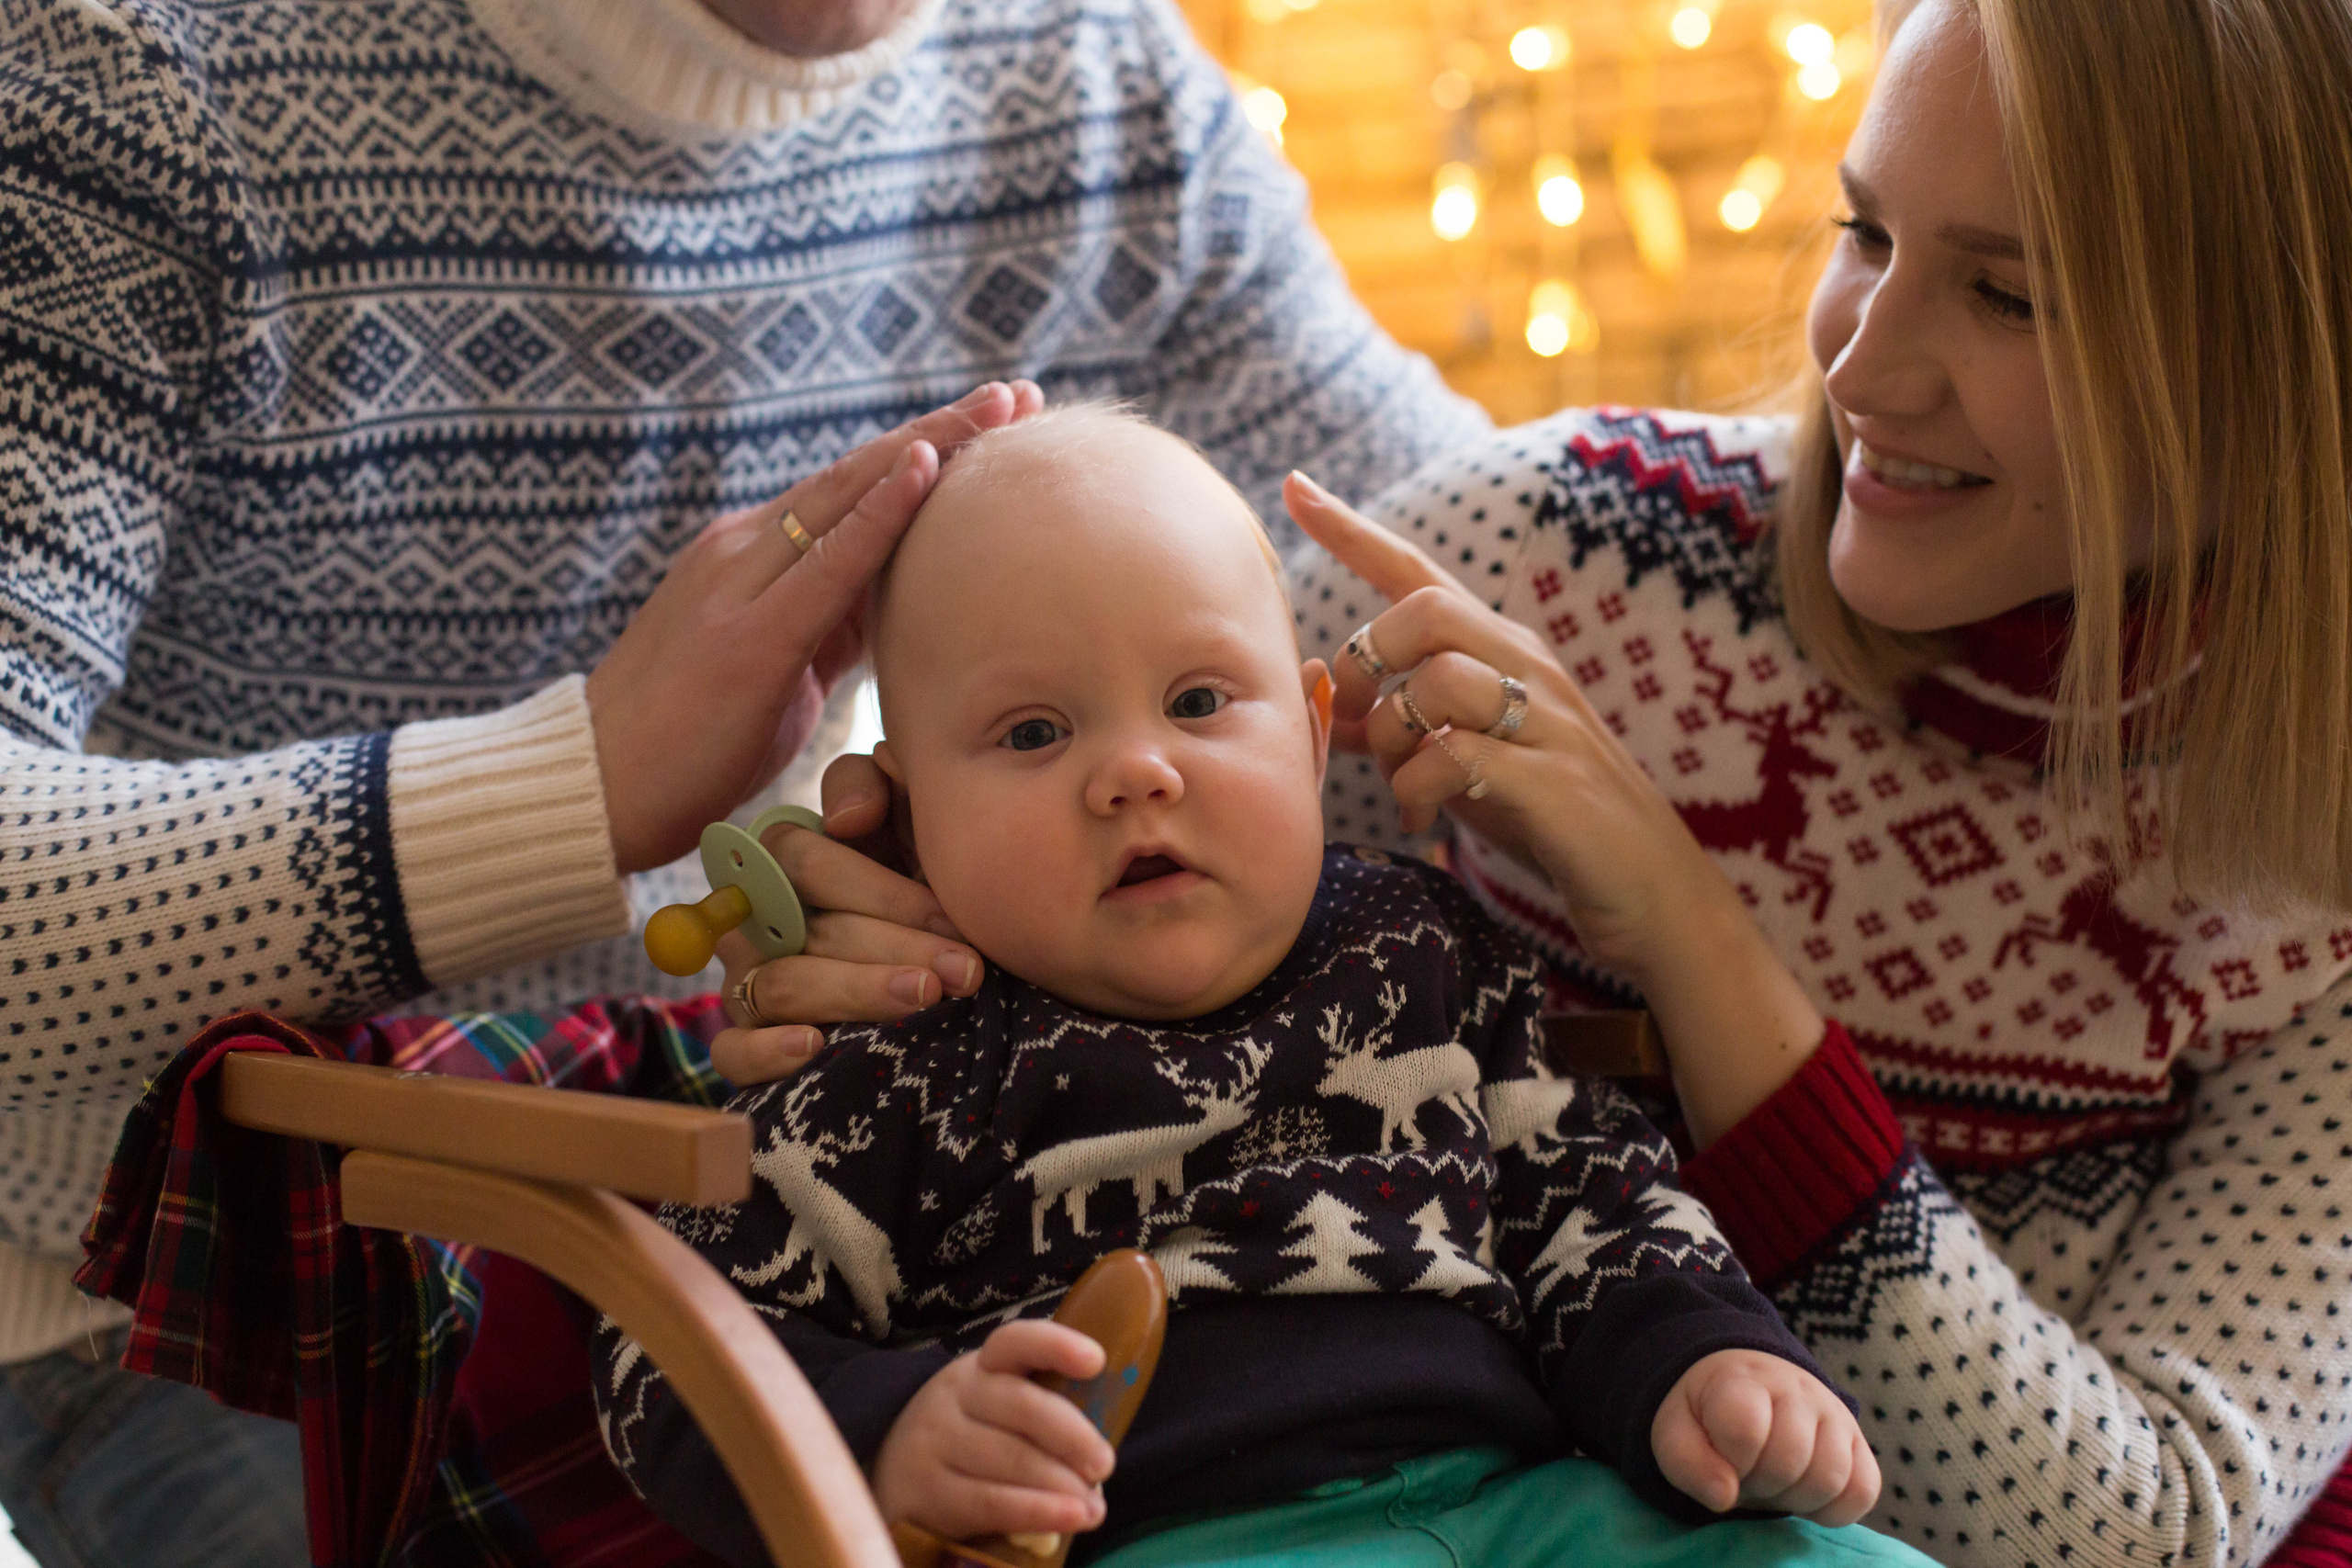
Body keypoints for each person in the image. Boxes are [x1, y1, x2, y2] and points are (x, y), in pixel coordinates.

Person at [727, 0, 2352, 1564]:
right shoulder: (1567, 559)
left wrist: (1689, 934)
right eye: (1865, 233)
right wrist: (860, 890)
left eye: (2008, 296)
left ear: (2287, 356)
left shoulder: (2318, 867)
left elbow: (2134, 1537)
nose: (1861, 370)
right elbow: (1078, 730)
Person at [0, 0, 1485, 1559]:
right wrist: (577, 784)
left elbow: (1447, 617)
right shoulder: (148, 70)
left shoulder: (1093, 88)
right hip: (231, 1271)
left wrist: (993, 891)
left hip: (841, 1203)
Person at [595, 405, 1916, 1568]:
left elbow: (1592, 1187)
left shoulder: (1418, 947)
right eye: (1034, 733)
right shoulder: (900, 1035)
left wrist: (1705, 1357)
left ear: (1310, 721)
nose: (1135, 772)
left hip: (1537, 1505)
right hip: (1172, 1537)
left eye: (1200, 700)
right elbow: (671, 1339)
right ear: (904, 807)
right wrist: (888, 1435)